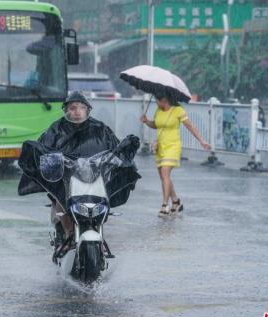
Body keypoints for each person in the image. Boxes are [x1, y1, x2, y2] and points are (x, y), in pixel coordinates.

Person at [18, 91, 140, 259]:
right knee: (60, 198)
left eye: (81, 107)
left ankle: (98, 233)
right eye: (73, 108)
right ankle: (68, 233)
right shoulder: (56, 129)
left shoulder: (101, 129)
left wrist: (123, 153)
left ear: (88, 110)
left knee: (104, 199)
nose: (77, 111)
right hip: (66, 178)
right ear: (66, 110)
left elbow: (115, 149)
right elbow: (43, 149)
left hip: (94, 176)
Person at [140, 92, 211, 217]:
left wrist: (202, 141)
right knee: (163, 176)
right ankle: (176, 202)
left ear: (165, 99)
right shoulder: (158, 110)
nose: (156, 102)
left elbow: (191, 127)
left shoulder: (178, 110)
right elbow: (156, 125)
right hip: (160, 147)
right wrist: (146, 121)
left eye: (158, 100)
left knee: (165, 173)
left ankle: (164, 205)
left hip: (173, 146)